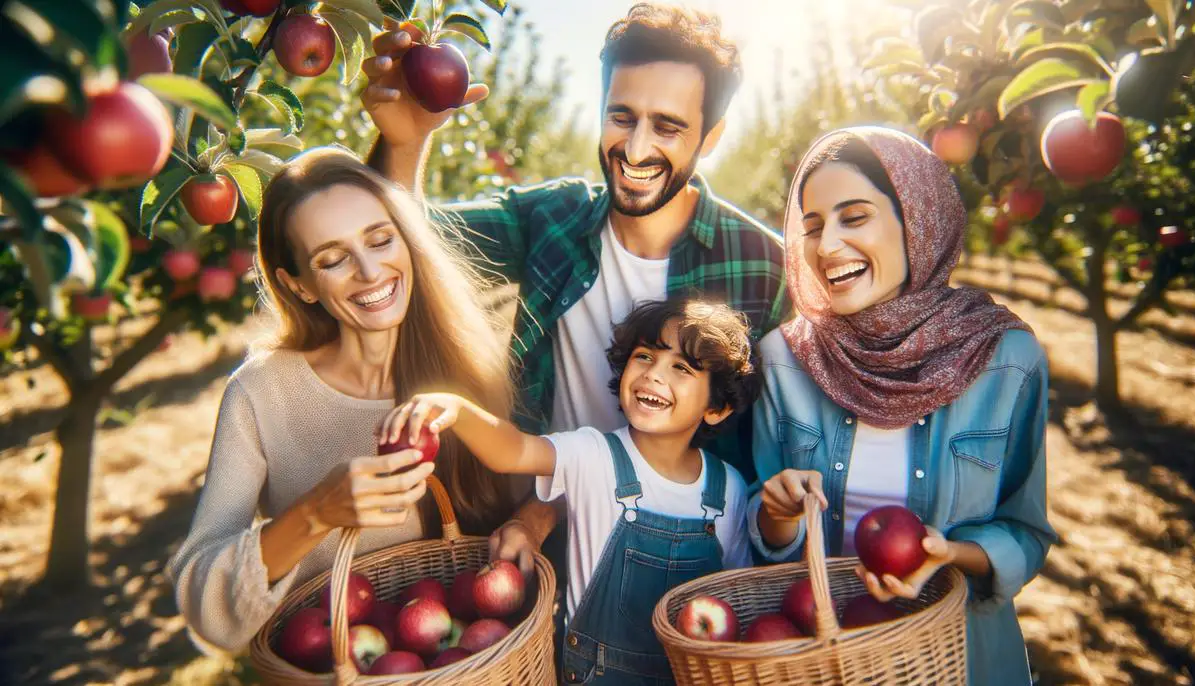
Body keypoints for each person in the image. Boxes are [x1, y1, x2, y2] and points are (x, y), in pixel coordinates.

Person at [360, 3, 789, 572]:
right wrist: (405, 143)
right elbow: (406, 247)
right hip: (540, 529)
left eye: (667, 126)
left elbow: (783, 432)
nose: (635, 149)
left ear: (711, 136)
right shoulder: (555, 220)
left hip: (691, 555)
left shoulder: (760, 264)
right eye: (621, 116)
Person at [167, 147, 524, 654]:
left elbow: (528, 497)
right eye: (332, 259)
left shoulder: (464, 372)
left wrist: (528, 524)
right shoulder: (262, 393)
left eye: (380, 240)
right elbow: (204, 601)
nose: (369, 270)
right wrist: (315, 513)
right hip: (335, 664)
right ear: (300, 286)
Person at [748, 127, 1057, 685]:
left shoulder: (1004, 359)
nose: (826, 246)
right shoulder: (786, 360)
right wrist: (774, 515)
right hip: (825, 662)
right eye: (813, 226)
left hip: (962, 658)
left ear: (916, 220)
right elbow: (767, 547)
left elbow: (1026, 533)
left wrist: (952, 555)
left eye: (855, 217)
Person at [379, 298, 759, 684]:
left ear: (717, 407)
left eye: (680, 367)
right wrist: (456, 409)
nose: (654, 375)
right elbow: (513, 450)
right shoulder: (592, 454)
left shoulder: (727, 488)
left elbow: (735, 598)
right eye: (645, 357)